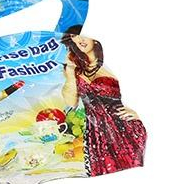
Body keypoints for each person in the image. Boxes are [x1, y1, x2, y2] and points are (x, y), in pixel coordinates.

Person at [61, 31, 146, 175]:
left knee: (131, 170)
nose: (80, 39)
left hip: (124, 130)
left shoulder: (115, 59)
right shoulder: (74, 68)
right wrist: (70, 71)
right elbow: (71, 102)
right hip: (96, 136)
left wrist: (140, 112)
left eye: (82, 34)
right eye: (74, 36)